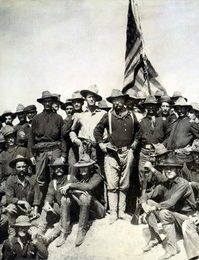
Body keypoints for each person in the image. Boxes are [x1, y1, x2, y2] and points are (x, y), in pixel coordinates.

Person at [94, 89, 140, 224]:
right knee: (113, 184)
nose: (117, 102)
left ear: (124, 101)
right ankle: (113, 213)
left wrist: (135, 144)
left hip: (127, 153)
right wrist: (101, 144)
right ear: (112, 102)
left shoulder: (131, 115)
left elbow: (139, 131)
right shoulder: (108, 116)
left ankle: (122, 212)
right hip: (111, 154)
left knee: (124, 184)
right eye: (115, 100)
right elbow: (97, 130)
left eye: (120, 99)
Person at [140, 158, 196, 260]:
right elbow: (147, 195)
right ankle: (154, 238)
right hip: (172, 216)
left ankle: (172, 248)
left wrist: (153, 207)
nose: (168, 171)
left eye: (171, 169)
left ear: (177, 170)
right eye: (166, 169)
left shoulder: (183, 184)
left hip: (186, 219)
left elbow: (170, 203)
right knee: (149, 202)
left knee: (163, 212)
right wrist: (144, 204)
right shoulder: (165, 183)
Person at [55, 154, 105, 247]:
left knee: (85, 196)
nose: (83, 170)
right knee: (65, 198)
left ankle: (81, 230)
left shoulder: (97, 176)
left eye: (85, 167)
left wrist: (71, 186)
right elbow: (65, 190)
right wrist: (76, 189)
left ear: (90, 167)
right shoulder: (78, 177)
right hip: (85, 210)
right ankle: (64, 232)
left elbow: (88, 186)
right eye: (81, 168)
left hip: (98, 210)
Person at [28, 90, 66, 202]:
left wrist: (63, 154)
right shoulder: (36, 119)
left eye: (50, 101)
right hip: (41, 151)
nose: (48, 103)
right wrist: (31, 155)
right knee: (40, 178)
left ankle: (57, 202)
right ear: (42, 103)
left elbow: (63, 137)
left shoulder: (58, 118)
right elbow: (30, 137)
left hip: (55, 149)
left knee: (57, 175)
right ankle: (38, 205)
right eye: (45, 101)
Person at [37, 157, 78, 245]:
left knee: (63, 219)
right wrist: (47, 203)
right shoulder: (53, 183)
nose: (59, 169)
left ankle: (48, 239)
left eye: (61, 167)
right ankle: (39, 233)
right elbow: (49, 195)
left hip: (72, 210)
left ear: (64, 168)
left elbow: (79, 190)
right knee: (45, 208)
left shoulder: (71, 178)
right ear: (54, 170)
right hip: (60, 208)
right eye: (56, 167)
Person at [4, 155, 40, 236]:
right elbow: (9, 198)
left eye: (23, 166)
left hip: (29, 210)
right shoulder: (10, 180)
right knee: (11, 208)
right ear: (15, 168)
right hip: (17, 209)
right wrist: (23, 202)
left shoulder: (33, 178)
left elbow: (37, 196)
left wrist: (35, 209)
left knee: (36, 226)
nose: (21, 169)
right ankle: (12, 233)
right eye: (19, 167)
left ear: (27, 167)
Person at [138, 95, 170, 185]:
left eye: (153, 105)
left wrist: (163, 145)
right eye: (148, 105)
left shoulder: (163, 121)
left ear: (157, 107)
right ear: (145, 107)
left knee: (156, 176)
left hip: (158, 153)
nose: (151, 108)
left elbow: (169, 136)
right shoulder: (141, 121)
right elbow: (137, 137)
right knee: (143, 177)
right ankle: (143, 196)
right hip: (144, 152)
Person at [69, 85, 105, 162]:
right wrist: (76, 140)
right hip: (84, 150)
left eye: (93, 97)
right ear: (85, 99)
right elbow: (72, 131)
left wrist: (103, 143)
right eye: (89, 97)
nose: (91, 99)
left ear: (96, 99)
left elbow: (108, 131)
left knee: (100, 172)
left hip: (98, 149)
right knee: (85, 172)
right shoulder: (80, 115)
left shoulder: (103, 114)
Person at [166, 98, 199, 164]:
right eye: (177, 108)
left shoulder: (190, 123)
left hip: (183, 157)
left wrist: (191, 148)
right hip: (171, 156)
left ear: (186, 109)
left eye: (182, 108)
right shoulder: (174, 123)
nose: (180, 110)